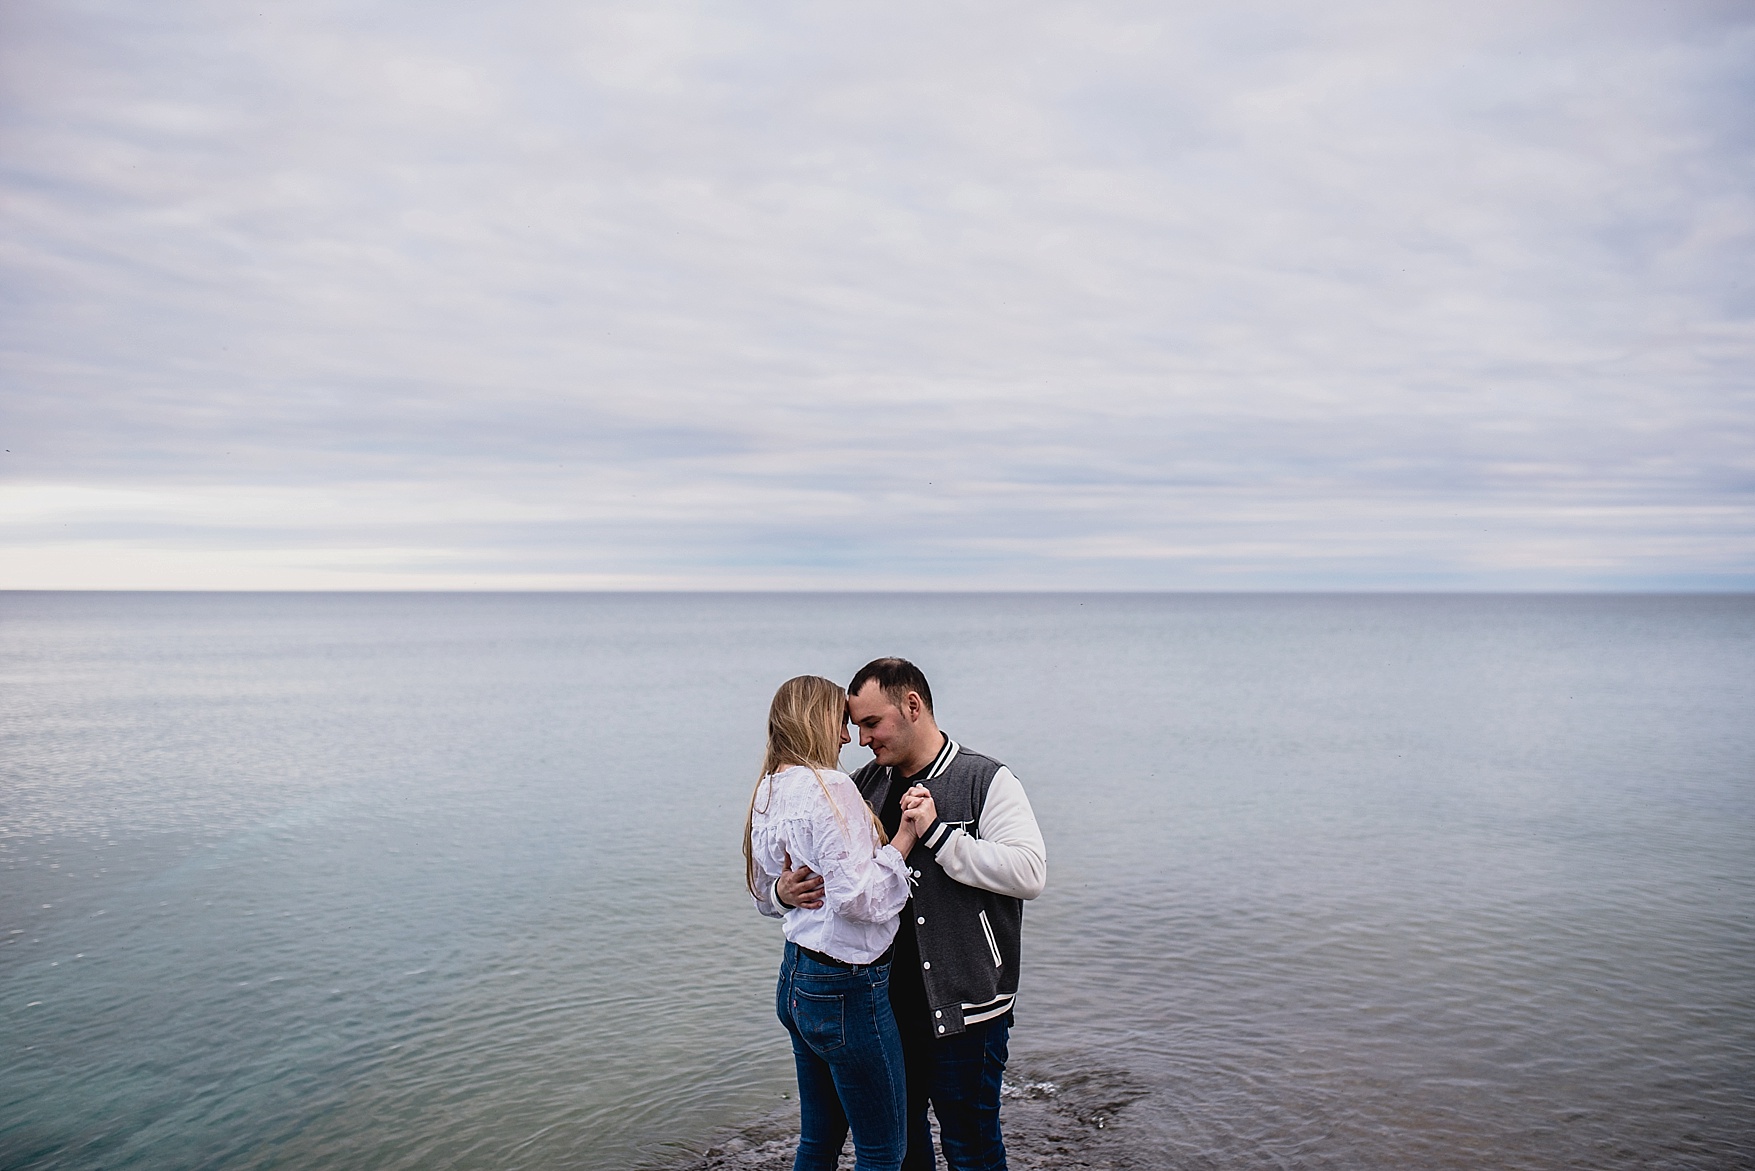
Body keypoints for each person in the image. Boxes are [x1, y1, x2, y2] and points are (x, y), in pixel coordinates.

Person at [758, 659, 1047, 1171]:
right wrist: (782, 892)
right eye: (855, 724)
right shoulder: (859, 785)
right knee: (905, 1148)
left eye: (871, 723)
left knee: (972, 1149)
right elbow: (816, 875)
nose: (861, 738)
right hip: (881, 1006)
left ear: (912, 705)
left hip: (965, 1007)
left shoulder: (986, 780)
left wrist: (939, 837)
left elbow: (1029, 874)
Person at [745, 674, 932, 1171]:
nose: (849, 738)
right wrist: (906, 837)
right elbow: (860, 901)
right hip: (845, 988)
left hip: (795, 980)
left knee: (819, 1141)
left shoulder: (768, 789)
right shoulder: (831, 788)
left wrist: (783, 892)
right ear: (815, 721)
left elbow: (764, 894)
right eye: (841, 724)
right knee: (882, 1150)